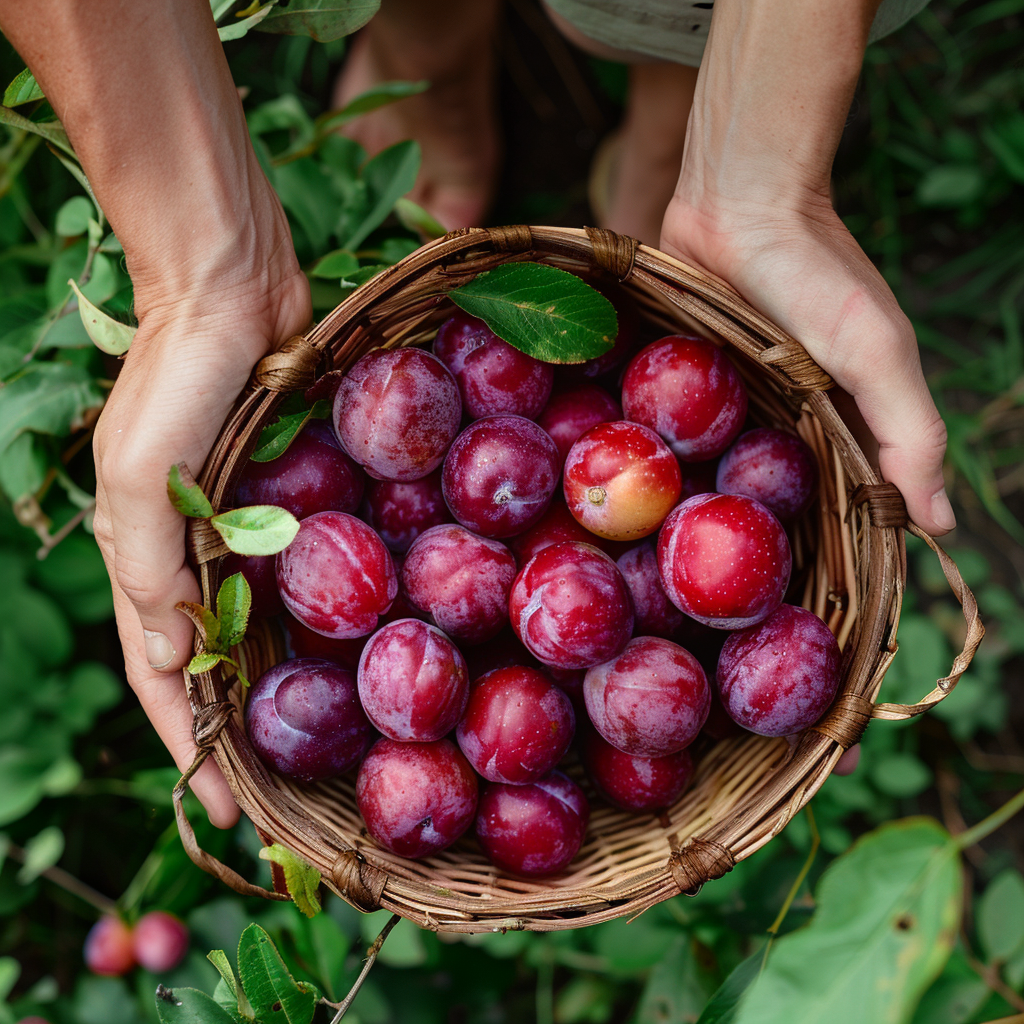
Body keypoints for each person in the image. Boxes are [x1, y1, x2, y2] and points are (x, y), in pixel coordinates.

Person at [0, 0, 951, 828]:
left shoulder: (543, 561)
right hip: (598, 531)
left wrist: (766, 184)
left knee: (679, 19)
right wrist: (203, 277)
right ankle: (441, 48)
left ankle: (687, 108)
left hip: (604, 523)